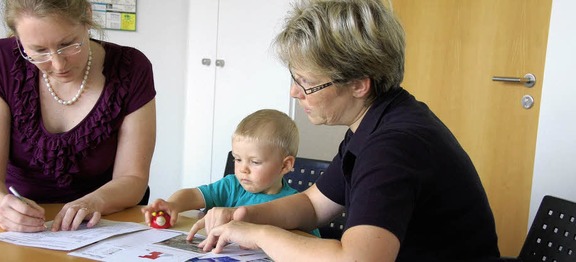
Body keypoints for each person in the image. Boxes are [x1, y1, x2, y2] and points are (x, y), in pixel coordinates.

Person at [187, 0, 501, 261]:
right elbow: (312, 205)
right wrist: (241, 216)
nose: (296, 93)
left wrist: (258, 234)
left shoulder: (392, 146)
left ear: (359, 84)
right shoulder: (378, 121)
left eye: (306, 82)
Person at [0, 0, 156, 233]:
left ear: (87, 15)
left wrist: (93, 202)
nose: (57, 64)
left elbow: (133, 177)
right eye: (39, 51)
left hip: (100, 224)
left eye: (68, 44)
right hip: (15, 228)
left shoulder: (132, 68)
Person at [142, 109, 320, 237]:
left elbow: (311, 245)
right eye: (237, 159)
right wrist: (173, 204)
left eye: (255, 162)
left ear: (285, 166)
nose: (243, 168)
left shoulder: (296, 206)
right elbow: (193, 194)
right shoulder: (231, 185)